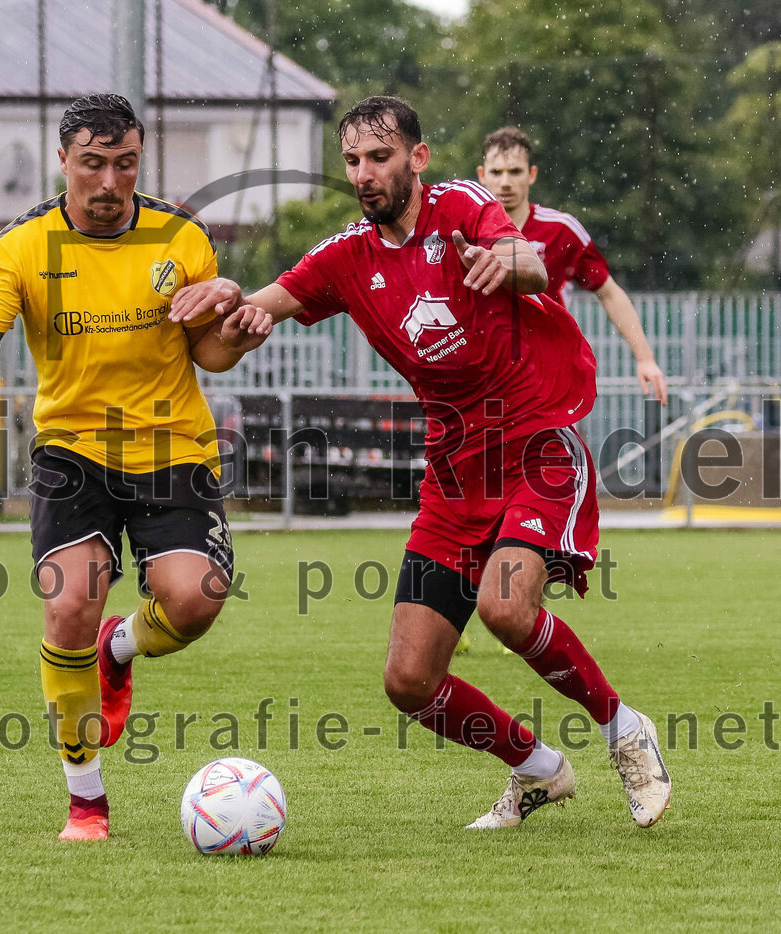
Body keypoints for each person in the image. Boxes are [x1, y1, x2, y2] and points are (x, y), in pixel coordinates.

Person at [171, 96, 672, 829]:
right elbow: (240, 330)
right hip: (453, 476)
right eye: (352, 161)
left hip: (536, 446)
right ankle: (537, 771)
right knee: (409, 681)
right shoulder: (345, 256)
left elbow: (528, 262)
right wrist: (228, 307)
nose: (366, 174)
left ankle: (624, 730)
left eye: (380, 157)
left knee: (505, 607)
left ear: (418, 157)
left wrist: (508, 261)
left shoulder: (465, 207)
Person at [0, 94, 272, 842]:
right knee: (67, 605)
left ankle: (121, 648)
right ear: (64, 162)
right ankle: (86, 802)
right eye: (93, 163)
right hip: (72, 450)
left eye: (124, 163)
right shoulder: (22, 246)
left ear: (138, 161)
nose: (109, 181)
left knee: (197, 601)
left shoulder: (181, 237)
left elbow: (208, 350)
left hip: (173, 446)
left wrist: (238, 325)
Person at [477, 125, 668, 406]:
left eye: (515, 171)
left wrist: (645, 359)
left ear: (531, 175)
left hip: (549, 377)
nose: (505, 182)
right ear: (482, 175)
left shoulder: (561, 230)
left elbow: (609, 292)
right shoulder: (464, 231)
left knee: (554, 451)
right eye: (496, 172)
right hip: (485, 378)